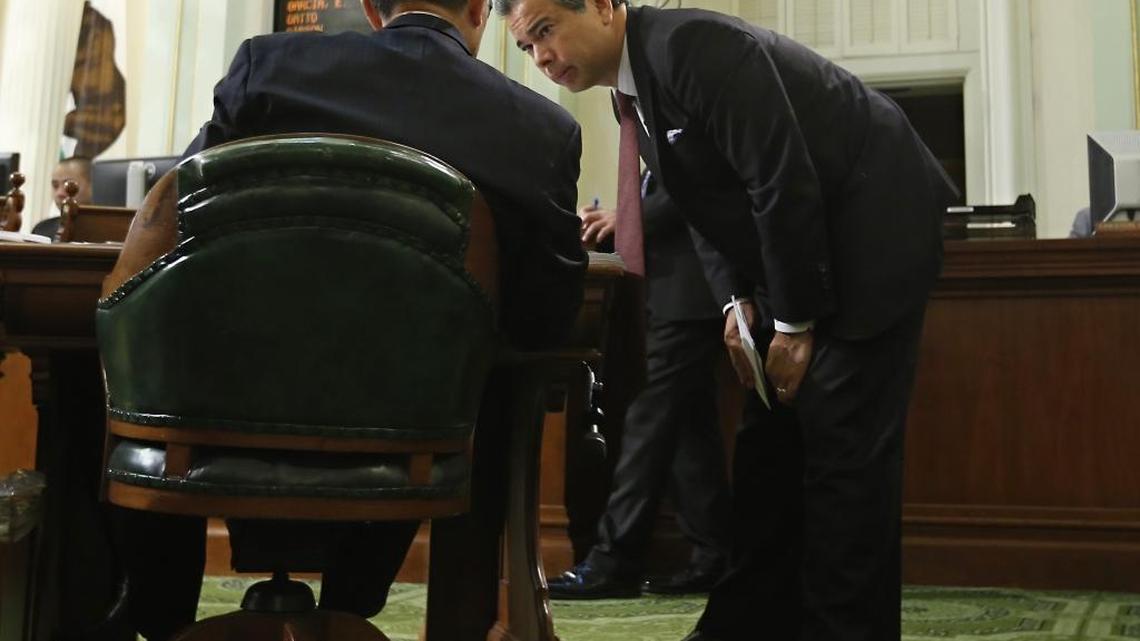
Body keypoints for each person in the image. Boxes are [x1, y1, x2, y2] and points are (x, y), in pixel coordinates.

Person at [108, 1, 585, 639]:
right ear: (478, 9)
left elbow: (179, 218)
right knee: (479, 383)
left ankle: (144, 614)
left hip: (221, 406)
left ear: (368, 8)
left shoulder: (267, 67)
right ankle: (382, 607)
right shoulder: (540, 127)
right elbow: (547, 323)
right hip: (410, 434)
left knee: (109, 356)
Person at [499, 1, 958, 640]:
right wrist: (735, 302)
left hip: (873, 233)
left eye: (545, 31)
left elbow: (778, 176)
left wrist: (793, 324)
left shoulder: (692, 46)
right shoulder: (635, 92)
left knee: (842, 455)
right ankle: (745, 626)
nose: (541, 57)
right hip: (805, 250)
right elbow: (708, 201)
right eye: (526, 48)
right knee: (768, 448)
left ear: (604, 6)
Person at [550, 171, 730, 599]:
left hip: (696, 287)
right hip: (675, 289)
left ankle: (616, 560)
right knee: (688, 424)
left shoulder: (673, 104)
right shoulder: (635, 111)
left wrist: (625, 219)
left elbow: (695, 187)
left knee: (649, 418)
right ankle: (715, 553)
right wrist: (613, 222)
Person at [33, 156, 93, 239]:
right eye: (55, 185)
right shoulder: (42, 229)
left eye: (69, 186)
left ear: (92, 186)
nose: (59, 193)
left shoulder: (109, 230)